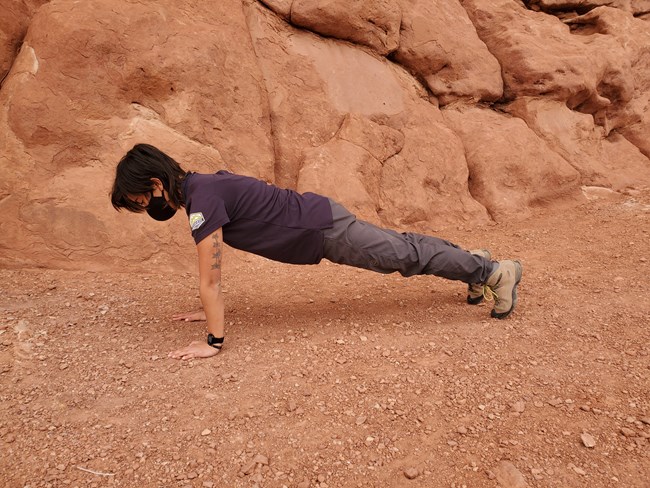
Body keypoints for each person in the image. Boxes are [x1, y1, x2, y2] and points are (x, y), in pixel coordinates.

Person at [111, 144, 523, 360]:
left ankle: (490, 271)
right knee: (403, 248)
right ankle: (471, 262)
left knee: (404, 255)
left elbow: (211, 278)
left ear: (155, 183)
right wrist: (206, 306)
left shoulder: (202, 199)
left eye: (140, 200)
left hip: (324, 230)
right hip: (320, 223)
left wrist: (213, 341)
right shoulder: (201, 188)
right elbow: (212, 278)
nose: (145, 208)